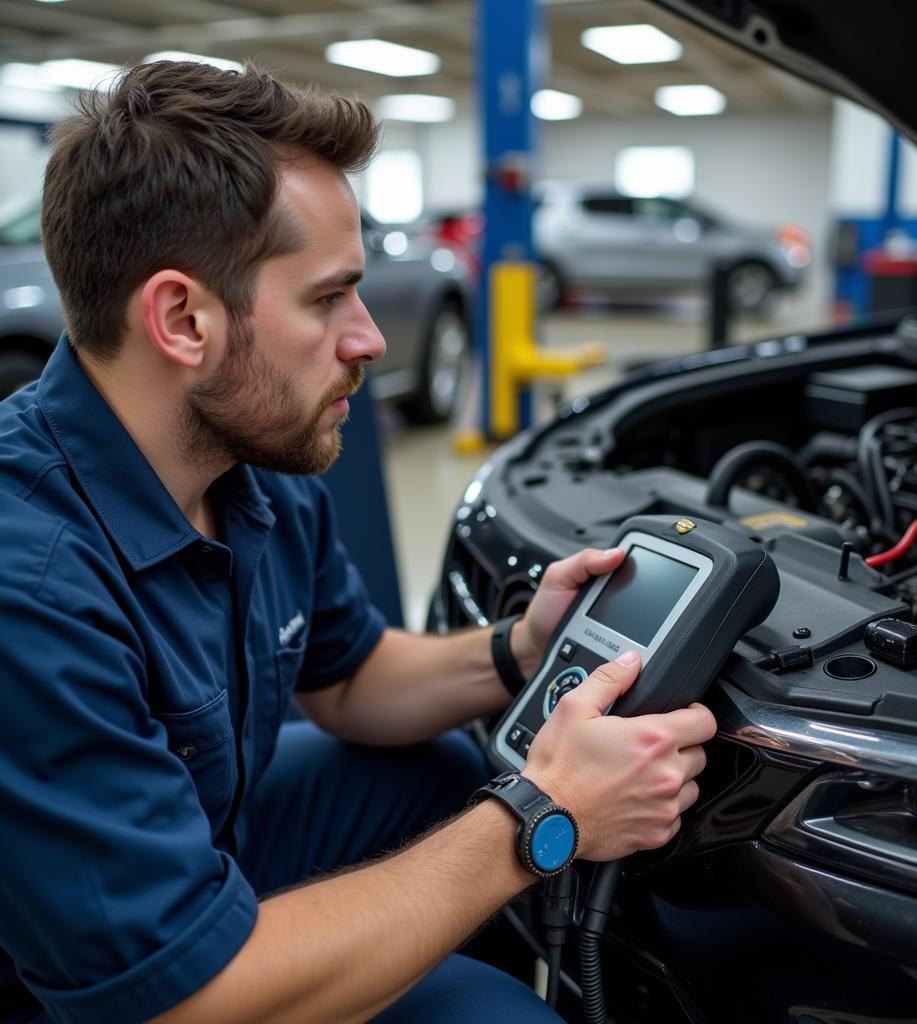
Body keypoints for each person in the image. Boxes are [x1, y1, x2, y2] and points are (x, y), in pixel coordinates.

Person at [0, 61, 716, 1024]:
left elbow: (348, 678)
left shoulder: (244, 462)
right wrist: (547, 817)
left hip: (191, 842)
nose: (371, 338)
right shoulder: (28, 584)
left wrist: (520, 650)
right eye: (328, 298)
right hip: (85, 990)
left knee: (443, 777)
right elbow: (185, 1000)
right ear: (182, 320)